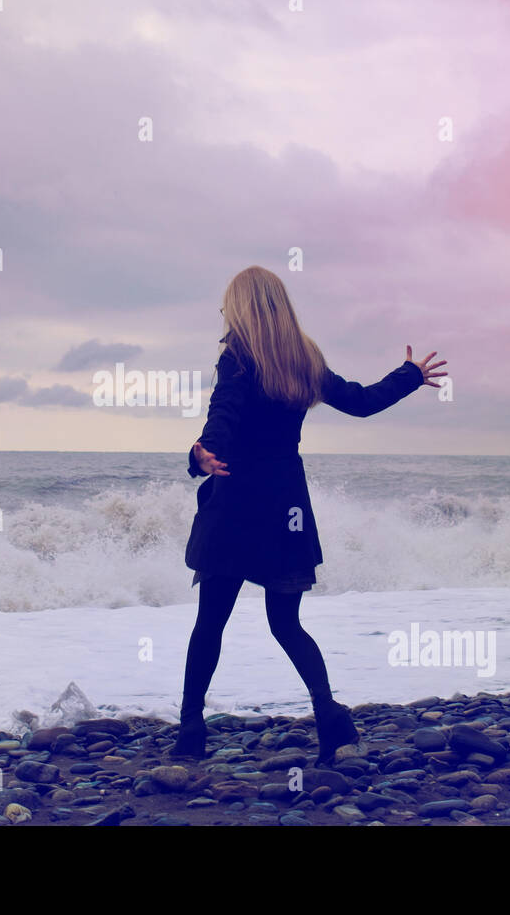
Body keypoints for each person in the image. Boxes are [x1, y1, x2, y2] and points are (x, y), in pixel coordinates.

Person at [173, 265, 447, 765]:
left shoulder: (237, 357)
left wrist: (202, 453)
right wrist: (409, 376)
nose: (222, 313)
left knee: (210, 622)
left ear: (241, 308)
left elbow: (223, 413)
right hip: (284, 504)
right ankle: (331, 719)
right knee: (286, 623)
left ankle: (191, 730)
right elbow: (361, 403)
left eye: (226, 305)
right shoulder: (305, 358)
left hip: (235, 501)